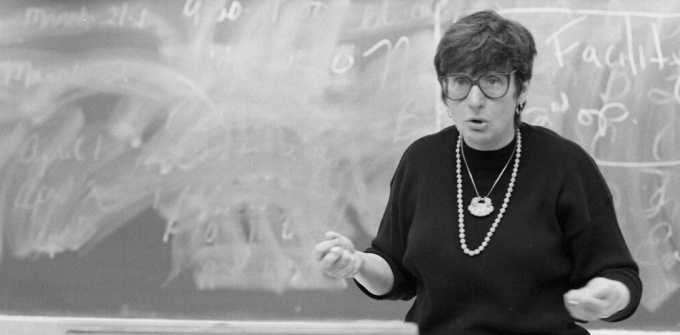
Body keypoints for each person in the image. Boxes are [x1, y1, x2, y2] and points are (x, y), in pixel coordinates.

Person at [313, 9, 643, 335]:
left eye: (492, 82)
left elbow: (618, 275)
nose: (474, 100)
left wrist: (609, 295)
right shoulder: (422, 161)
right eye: (460, 82)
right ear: (445, 90)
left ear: (522, 90)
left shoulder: (565, 165)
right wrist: (357, 264)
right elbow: (396, 274)